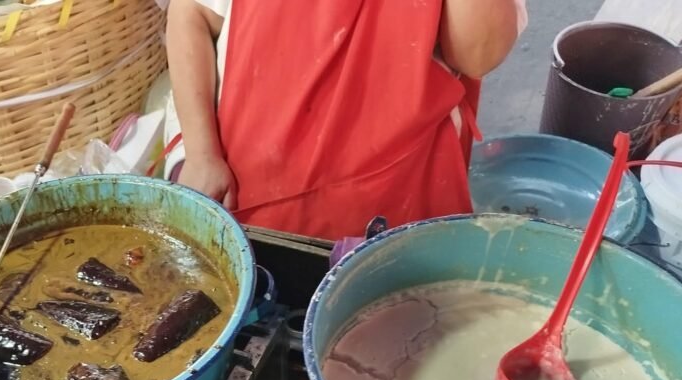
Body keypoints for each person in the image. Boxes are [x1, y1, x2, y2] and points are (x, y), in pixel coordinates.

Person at [164, 0, 529, 240]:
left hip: (400, 209)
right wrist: (201, 154)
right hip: (252, 210)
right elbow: (192, 15)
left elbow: (478, 52)